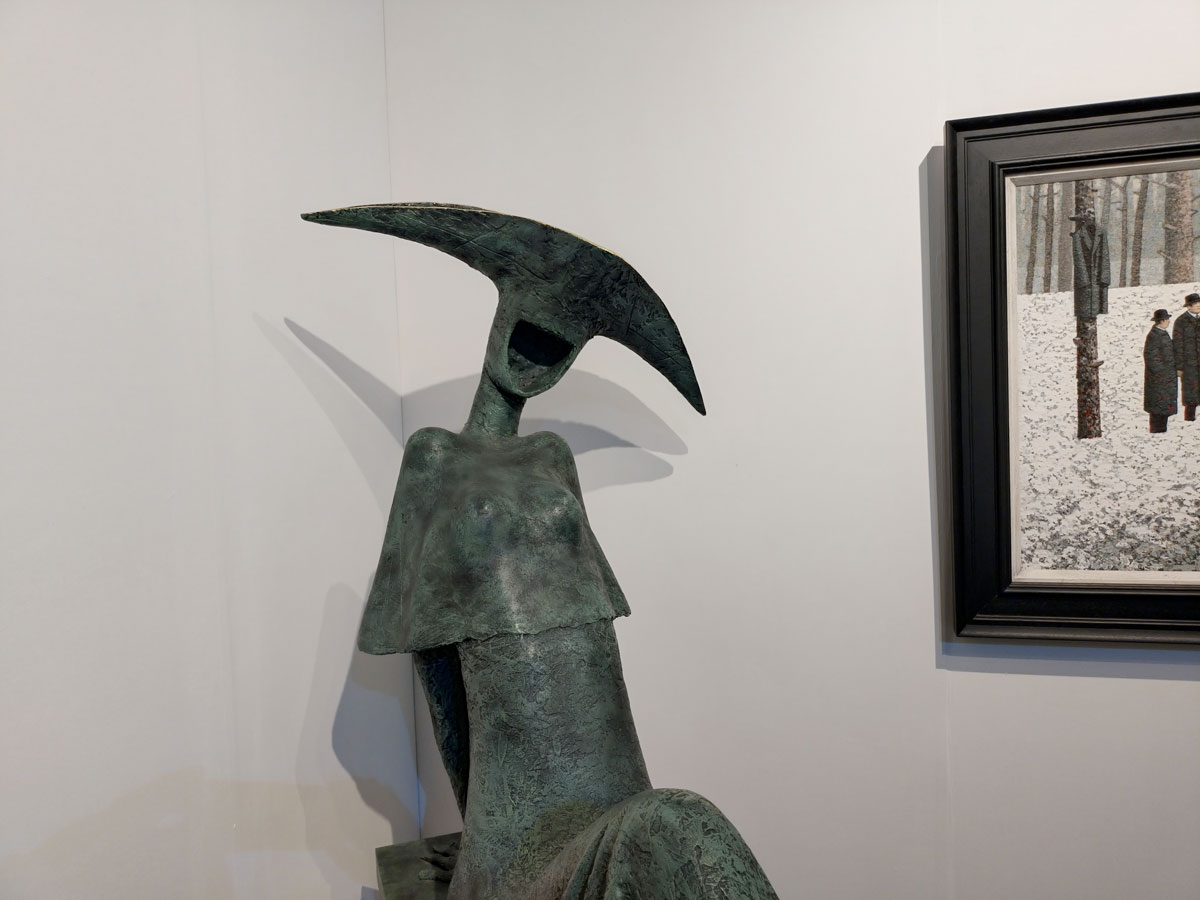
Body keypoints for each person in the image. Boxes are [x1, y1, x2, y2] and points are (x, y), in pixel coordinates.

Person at [303, 203, 779, 900]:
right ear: (500, 323)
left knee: (678, 830)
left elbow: (599, 634)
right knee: (678, 818)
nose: (535, 358)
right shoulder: (433, 456)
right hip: (518, 820)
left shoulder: (553, 456)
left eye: (558, 349)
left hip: (609, 759)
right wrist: (475, 842)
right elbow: (432, 659)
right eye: (529, 333)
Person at [1145, 309, 1177, 433]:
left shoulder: (1162, 333)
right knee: (1157, 409)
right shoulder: (1154, 335)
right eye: (1167, 319)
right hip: (1158, 380)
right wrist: (1162, 373)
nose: (1169, 321)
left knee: (1163, 408)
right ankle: (1157, 432)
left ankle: (1161, 431)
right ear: (1162, 321)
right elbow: (1151, 358)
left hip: (1165, 380)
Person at [1175, 292, 1200, 422]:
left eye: (1199, 303)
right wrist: (1179, 366)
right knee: (1191, 392)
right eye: (1195, 303)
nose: (1198, 305)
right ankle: (1189, 419)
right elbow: (1178, 346)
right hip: (1189, 365)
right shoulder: (1181, 321)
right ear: (1188, 306)